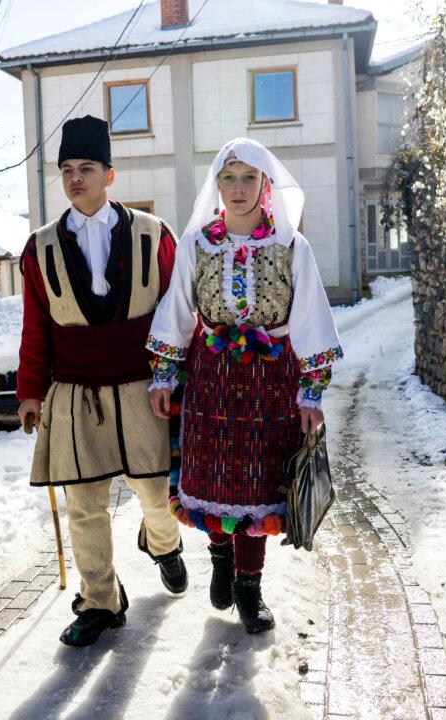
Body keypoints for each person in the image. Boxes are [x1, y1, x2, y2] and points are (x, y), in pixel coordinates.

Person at [146, 138, 342, 634]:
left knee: (257, 483)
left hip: (271, 381)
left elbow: (311, 318)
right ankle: (220, 558)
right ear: (217, 185)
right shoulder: (197, 244)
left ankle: (249, 588)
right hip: (211, 377)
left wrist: (310, 392)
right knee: (215, 479)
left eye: (248, 178)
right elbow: (177, 309)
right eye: (228, 178)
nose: (238, 188)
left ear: (265, 184)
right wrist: (165, 374)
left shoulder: (291, 246)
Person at [17, 115, 187, 647]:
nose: (75, 178)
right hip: (74, 393)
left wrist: (181, 379)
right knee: (84, 505)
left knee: (156, 493)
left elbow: (177, 313)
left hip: (144, 389)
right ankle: (100, 601)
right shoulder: (39, 248)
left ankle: (162, 544)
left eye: (86, 168)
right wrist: (30, 390)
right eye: (67, 169)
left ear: (109, 175)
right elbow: (35, 325)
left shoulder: (154, 235)